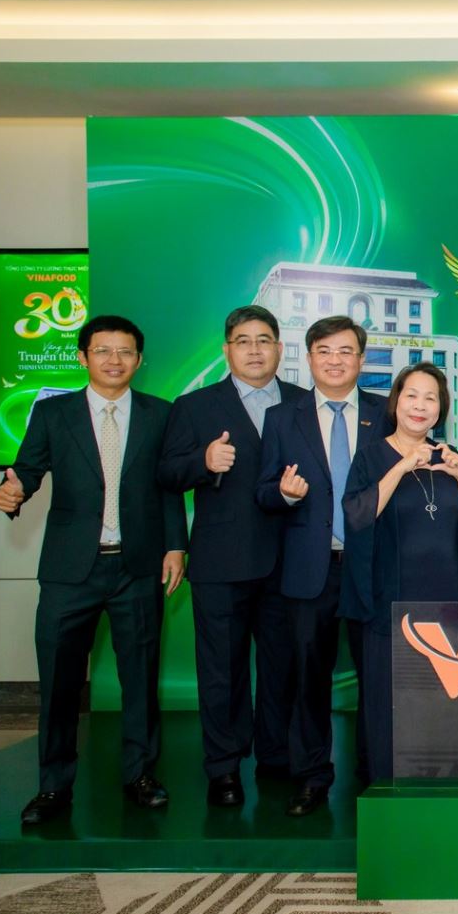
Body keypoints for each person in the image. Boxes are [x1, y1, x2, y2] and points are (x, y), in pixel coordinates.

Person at [0, 315, 186, 825]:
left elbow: (168, 485)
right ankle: (53, 787)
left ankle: (140, 775)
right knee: (59, 683)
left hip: (137, 566)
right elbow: (26, 470)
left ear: (139, 360)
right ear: (83, 357)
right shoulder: (52, 412)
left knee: (140, 678)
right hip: (69, 570)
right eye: (102, 351)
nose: (114, 360)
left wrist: (176, 546)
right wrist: (14, 493)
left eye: (125, 352)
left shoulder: (160, 414)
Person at [158, 305, 301, 807]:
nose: (254, 350)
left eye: (264, 340)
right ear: (227, 350)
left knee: (283, 666)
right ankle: (223, 766)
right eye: (243, 341)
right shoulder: (195, 406)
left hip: (290, 561)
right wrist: (203, 461)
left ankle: (276, 756)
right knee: (222, 670)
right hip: (221, 561)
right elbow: (167, 475)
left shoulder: (303, 402)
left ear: (279, 348)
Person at [255, 315, 388, 816]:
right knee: (308, 678)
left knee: (377, 677)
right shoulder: (281, 418)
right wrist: (284, 494)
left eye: (346, 351)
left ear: (361, 359)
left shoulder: (385, 413)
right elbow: (262, 491)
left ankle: (376, 774)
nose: (335, 360)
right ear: (309, 358)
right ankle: (312, 776)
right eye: (325, 351)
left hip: (371, 567)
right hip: (311, 569)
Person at [342, 362, 458, 785]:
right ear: (396, 402)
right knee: (391, 703)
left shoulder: (450, 455)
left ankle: (442, 785)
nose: (420, 405)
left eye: (430, 398)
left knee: (443, 699)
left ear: (441, 408)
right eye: (411, 395)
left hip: (447, 604)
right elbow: (357, 515)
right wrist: (401, 466)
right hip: (392, 600)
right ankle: (389, 792)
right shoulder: (372, 455)